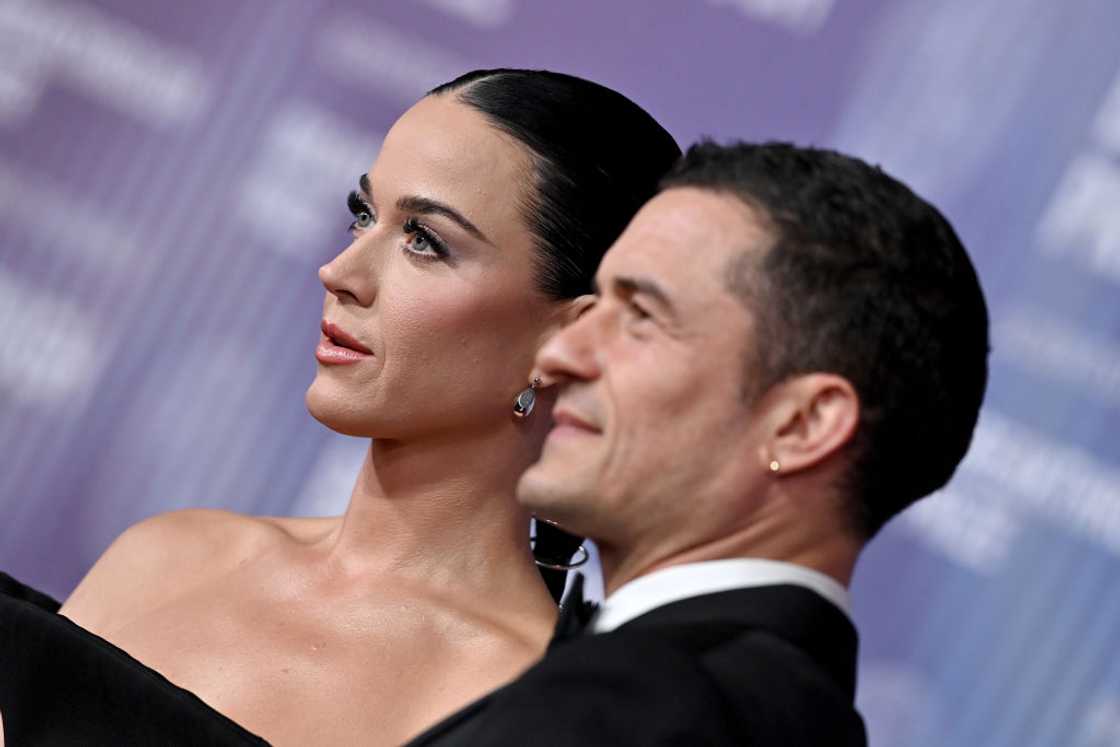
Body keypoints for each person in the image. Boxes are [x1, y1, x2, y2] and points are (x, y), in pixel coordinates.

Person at [0, 69, 679, 746]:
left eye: (424, 240)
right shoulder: (164, 558)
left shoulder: (531, 715)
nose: (341, 271)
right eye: (364, 215)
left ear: (570, 339)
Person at [407, 140, 990, 746]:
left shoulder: (627, 714)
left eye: (643, 317)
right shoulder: (797, 714)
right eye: (600, 303)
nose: (559, 353)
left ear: (803, 425)